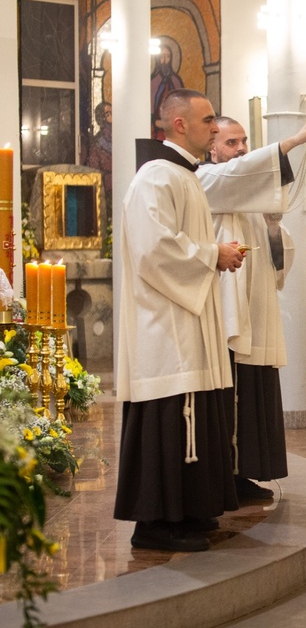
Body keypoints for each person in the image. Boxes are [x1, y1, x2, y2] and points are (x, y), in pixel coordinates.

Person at [115, 88, 244, 552]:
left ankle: (188, 513)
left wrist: (215, 255)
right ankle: (155, 524)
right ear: (179, 124)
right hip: (164, 326)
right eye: (208, 120)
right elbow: (154, 250)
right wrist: (213, 254)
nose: (215, 127)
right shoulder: (155, 177)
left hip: (187, 318)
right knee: (169, 417)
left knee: (195, 414)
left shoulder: (185, 176)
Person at [199, 115, 306, 502]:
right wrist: (291, 142)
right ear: (212, 148)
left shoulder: (250, 194)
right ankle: (224, 478)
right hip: (226, 310)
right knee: (228, 397)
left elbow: (278, 259)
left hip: (256, 308)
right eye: (231, 143)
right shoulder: (205, 180)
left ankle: (246, 473)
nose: (240, 150)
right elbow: (240, 173)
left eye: (244, 142)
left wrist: (271, 227)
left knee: (253, 395)